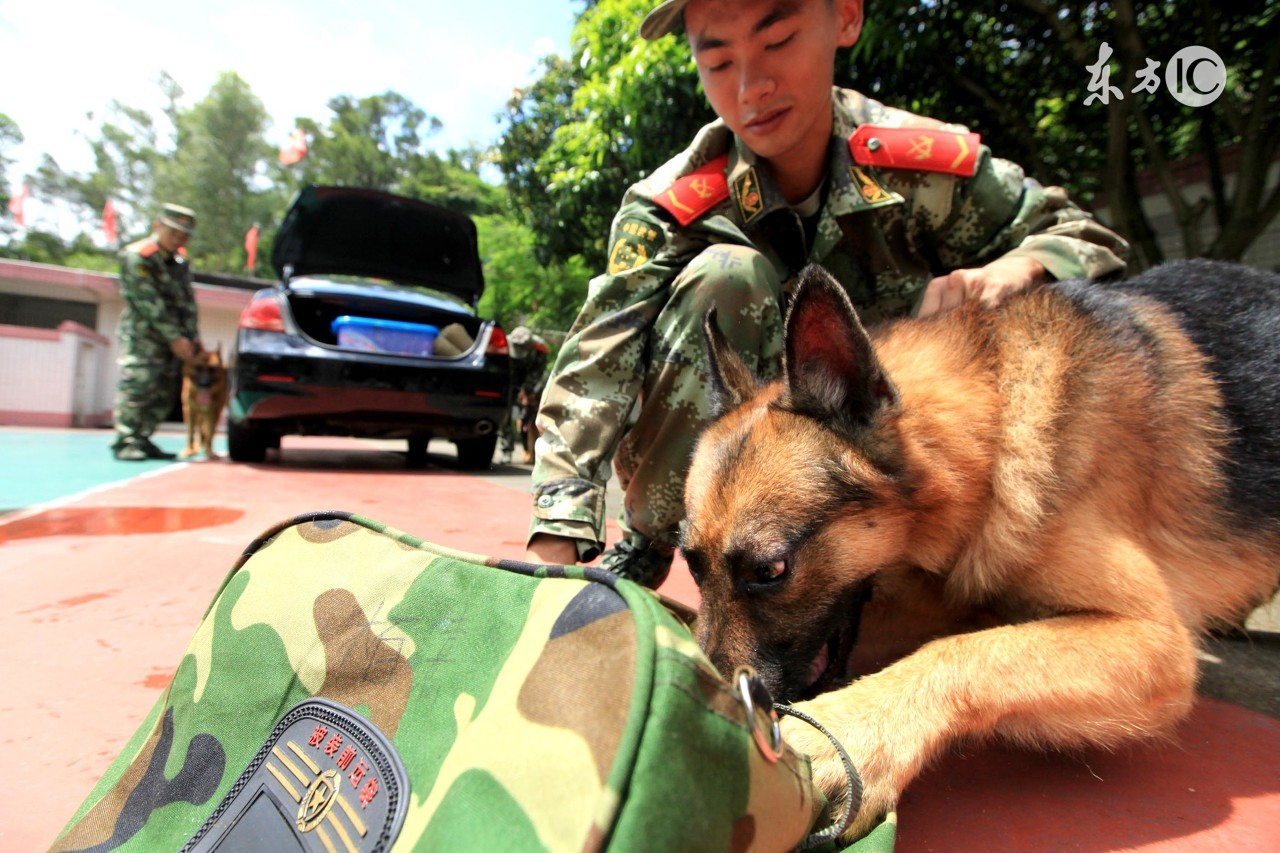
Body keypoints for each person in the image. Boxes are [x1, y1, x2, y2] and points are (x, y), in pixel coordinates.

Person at [525, 0, 1129, 586]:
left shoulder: (922, 166)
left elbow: (1084, 236)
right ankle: (654, 544)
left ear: (845, 15)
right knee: (725, 277)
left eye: (778, 41)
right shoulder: (674, 203)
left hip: (890, 465)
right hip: (722, 460)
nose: (751, 87)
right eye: (718, 62)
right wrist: (555, 537)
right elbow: (596, 363)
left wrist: (1014, 269)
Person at [110, 203, 200, 461]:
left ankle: (143, 438)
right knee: (139, 387)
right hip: (144, 338)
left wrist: (191, 337)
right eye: (174, 232)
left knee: (164, 390)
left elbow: (187, 302)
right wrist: (175, 337)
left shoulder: (179, 262)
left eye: (184, 235)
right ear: (157, 225)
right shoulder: (138, 256)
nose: (179, 239)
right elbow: (148, 301)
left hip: (177, 341)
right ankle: (126, 440)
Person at [500, 326, 551, 464]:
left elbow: (538, 373)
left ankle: (534, 452)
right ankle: (506, 450)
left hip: (531, 383)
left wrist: (529, 392)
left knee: (532, 418)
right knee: (506, 415)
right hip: (509, 380)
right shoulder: (504, 343)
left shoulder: (540, 349)